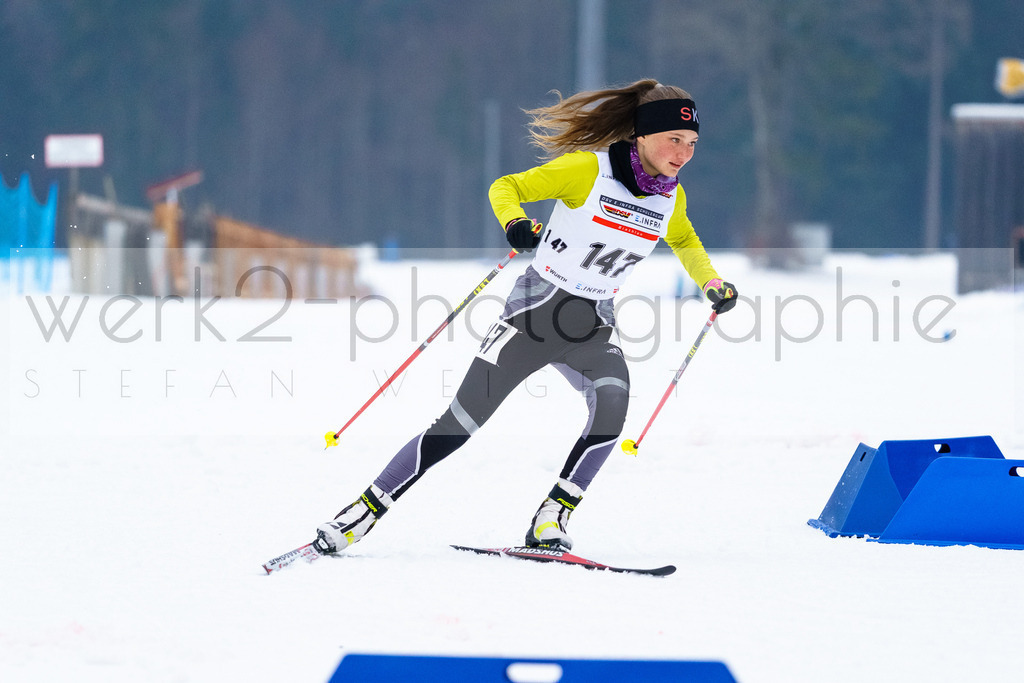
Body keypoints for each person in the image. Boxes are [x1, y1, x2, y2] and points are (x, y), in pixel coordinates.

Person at [314, 78, 738, 554]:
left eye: (692, 144)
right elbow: (507, 187)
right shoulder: (586, 171)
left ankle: (550, 518)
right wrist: (516, 223)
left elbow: (682, 239)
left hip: (593, 326)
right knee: (458, 425)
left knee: (613, 405)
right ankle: (363, 511)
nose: (683, 153)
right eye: (673, 140)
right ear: (642, 134)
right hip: (533, 317)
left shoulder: (669, 197)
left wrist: (711, 283)